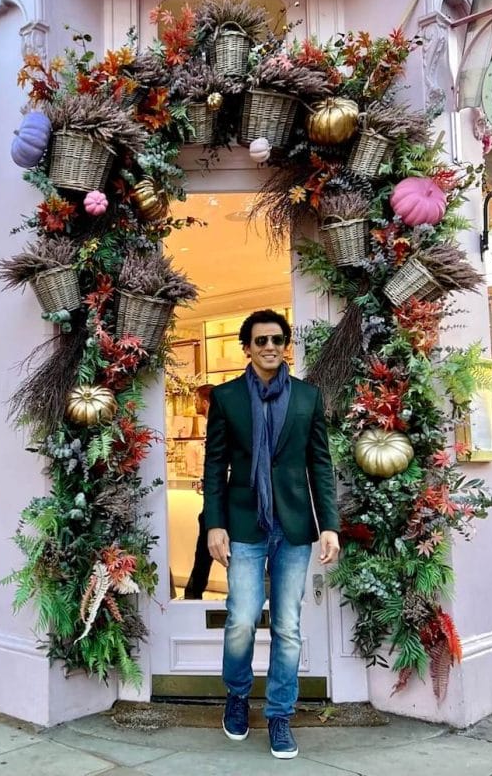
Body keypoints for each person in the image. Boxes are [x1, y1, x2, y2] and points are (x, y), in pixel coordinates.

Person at [203, 309, 339, 760]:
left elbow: (320, 463)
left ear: (286, 346)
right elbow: (214, 465)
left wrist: (329, 525)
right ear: (247, 347)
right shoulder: (225, 398)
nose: (269, 347)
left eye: (277, 339)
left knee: (287, 625)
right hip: (244, 523)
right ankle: (238, 697)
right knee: (241, 619)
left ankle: (280, 715)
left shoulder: (307, 397)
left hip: (295, 526)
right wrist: (214, 523)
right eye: (260, 340)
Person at [183, 384, 214, 600]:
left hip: (218, 503)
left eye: (196, 399)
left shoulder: (217, 427)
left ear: (205, 402)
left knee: (204, 551)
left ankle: (192, 595)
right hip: (216, 500)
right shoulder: (214, 425)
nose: (194, 404)